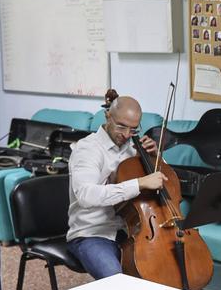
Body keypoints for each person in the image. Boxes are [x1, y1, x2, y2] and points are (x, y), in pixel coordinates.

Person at [67, 96, 166, 280]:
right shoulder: (87, 150)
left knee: (158, 272)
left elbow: (165, 184)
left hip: (131, 232)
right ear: (107, 116)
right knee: (116, 281)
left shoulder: (134, 149)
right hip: (91, 233)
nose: (127, 134)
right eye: (121, 126)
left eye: (134, 129)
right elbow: (86, 196)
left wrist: (154, 158)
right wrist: (139, 183)